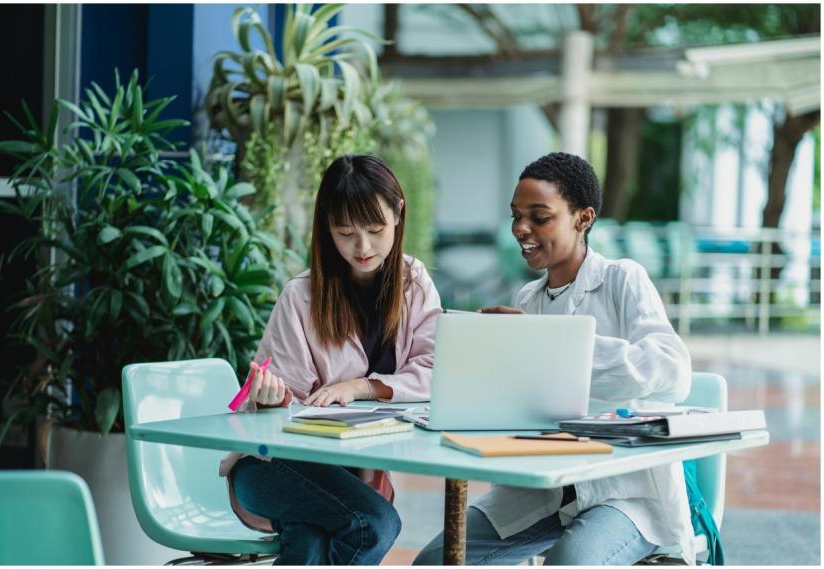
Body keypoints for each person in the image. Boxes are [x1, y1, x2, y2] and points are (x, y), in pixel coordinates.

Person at [413, 152, 696, 566]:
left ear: (583, 218)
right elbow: (527, 401)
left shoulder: (622, 279)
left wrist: (545, 343)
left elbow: (673, 370)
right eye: (516, 216)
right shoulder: (528, 298)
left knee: (569, 561)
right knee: (436, 560)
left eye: (539, 217)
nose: (520, 229)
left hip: (623, 493)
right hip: (545, 488)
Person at [219, 155, 442, 565]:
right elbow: (275, 403)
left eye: (375, 229)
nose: (363, 247)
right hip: (273, 467)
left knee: (310, 541)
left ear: (398, 213)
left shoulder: (414, 283)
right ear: (327, 227)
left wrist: (362, 387)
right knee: (374, 524)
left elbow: (435, 370)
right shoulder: (300, 296)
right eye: (346, 233)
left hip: (348, 474)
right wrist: (271, 399)